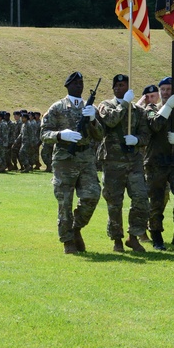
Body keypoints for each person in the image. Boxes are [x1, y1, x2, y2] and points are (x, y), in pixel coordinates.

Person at [41, 71, 103, 253]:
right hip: (64, 160)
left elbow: (100, 135)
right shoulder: (57, 107)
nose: (79, 86)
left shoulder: (90, 107)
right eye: (75, 83)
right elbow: (44, 134)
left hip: (86, 159)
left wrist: (93, 120)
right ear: (67, 85)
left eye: (81, 83)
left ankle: (76, 228)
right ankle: (68, 241)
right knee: (65, 202)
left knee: (92, 195)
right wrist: (61, 135)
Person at [96, 74, 150, 252]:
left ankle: (133, 236)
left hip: (134, 161)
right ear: (113, 88)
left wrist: (136, 139)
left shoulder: (138, 111)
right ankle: (117, 239)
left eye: (124, 85)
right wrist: (124, 104)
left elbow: (146, 136)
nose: (120, 88)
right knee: (114, 202)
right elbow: (111, 121)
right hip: (113, 162)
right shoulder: (105, 106)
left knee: (141, 198)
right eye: (117, 85)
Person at [145, 77, 174, 250]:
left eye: (169, 89)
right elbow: (155, 125)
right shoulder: (150, 109)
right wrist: (167, 107)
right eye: (163, 89)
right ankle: (156, 236)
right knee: (156, 201)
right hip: (156, 163)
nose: (165, 93)